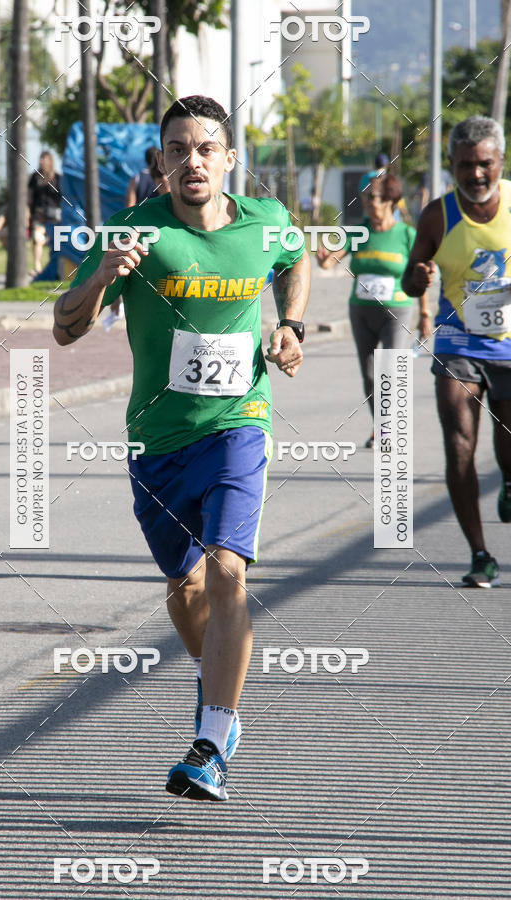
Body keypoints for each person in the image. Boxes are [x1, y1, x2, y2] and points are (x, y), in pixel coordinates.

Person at [53, 95, 311, 801]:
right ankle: (218, 679)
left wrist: (291, 324)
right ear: (160, 162)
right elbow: (64, 330)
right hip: (157, 440)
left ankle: (213, 739)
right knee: (186, 587)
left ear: (230, 158)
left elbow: (296, 258)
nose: (191, 160)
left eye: (205, 148)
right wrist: (105, 276)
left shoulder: (266, 223)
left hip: (238, 425)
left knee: (228, 570)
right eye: (177, 149)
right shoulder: (137, 232)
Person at [402, 115, 511, 588]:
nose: (476, 175)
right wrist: (419, 278)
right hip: (457, 339)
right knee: (459, 438)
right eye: (466, 165)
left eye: (485, 164)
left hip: (508, 341)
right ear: (452, 165)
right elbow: (410, 280)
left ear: (500, 161)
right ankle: (480, 553)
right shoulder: (437, 215)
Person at [317, 173, 431, 447]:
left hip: (397, 310)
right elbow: (330, 262)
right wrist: (322, 257)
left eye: (373, 197)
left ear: (391, 201)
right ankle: (380, 427)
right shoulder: (360, 230)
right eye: (365, 196)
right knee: (369, 375)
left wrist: (425, 314)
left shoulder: (406, 234)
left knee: (389, 370)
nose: (366, 201)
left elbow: (420, 276)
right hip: (361, 310)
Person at [28, 150, 61, 275]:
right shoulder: (34, 178)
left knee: (57, 243)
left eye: (44, 159)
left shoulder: (57, 178)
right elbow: (29, 198)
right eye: (40, 158)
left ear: (50, 161)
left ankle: (55, 269)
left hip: (55, 218)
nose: (41, 161)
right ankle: (37, 267)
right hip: (39, 216)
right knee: (37, 239)